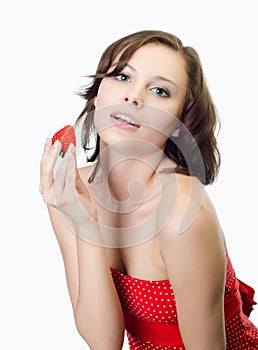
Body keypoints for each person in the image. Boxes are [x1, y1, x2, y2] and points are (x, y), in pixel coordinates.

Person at [39, 30, 258, 349]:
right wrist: (82, 221)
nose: (134, 96)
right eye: (123, 76)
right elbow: (104, 341)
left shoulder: (184, 214)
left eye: (159, 90)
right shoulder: (71, 190)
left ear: (178, 122)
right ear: (98, 93)